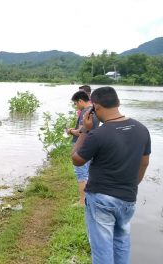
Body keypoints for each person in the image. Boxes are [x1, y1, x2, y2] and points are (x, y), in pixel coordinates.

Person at [71, 87, 151, 263]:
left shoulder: (98, 134)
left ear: (96, 108)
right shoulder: (142, 129)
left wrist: (85, 130)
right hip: (128, 198)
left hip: (101, 200)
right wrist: (131, 186)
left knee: (102, 249)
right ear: (118, 103)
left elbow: (77, 160)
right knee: (121, 243)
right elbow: (144, 163)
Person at [66, 91, 99, 205]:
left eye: (76, 103)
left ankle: (82, 202)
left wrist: (70, 131)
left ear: (80, 100)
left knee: (81, 174)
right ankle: (88, 199)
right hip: (92, 144)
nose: (76, 106)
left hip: (82, 145)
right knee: (88, 173)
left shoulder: (86, 112)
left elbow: (81, 132)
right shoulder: (95, 110)